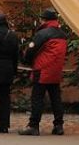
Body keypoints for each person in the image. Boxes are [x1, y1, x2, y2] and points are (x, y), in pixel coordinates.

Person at [19, 8, 67, 136]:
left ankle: (33, 125)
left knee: (37, 98)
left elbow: (31, 50)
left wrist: (26, 60)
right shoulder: (62, 34)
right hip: (56, 70)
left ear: (44, 20)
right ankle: (59, 125)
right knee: (55, 98)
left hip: (42, 69)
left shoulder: (43, 33)